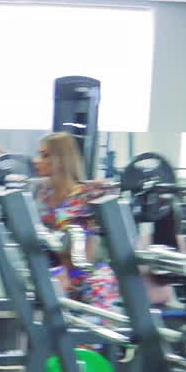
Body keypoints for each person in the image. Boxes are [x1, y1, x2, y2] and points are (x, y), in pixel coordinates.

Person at [34, 131, 119, 309]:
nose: (36, 160)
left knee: (94, 321)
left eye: (44, 155)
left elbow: (94, 243)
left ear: (61, 159)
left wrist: (104, 190)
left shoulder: (85, 195)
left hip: (89, 275)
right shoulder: (42, 194)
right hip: (57, 273)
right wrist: (57, 270)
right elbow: (39, 240)